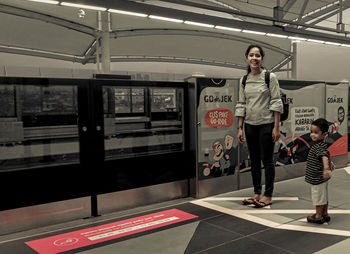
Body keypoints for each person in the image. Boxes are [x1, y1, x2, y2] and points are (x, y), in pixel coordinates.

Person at [235, 44, 283, 208]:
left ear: (261, 58)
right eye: (251, 55)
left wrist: (276, 127)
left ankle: (268, 194)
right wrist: (239, 128)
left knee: (267, 161)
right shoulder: (244, 80)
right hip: (249, 125)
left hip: (267, 124)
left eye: (257, 55)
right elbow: (241, 104)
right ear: (246, 58)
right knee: (254, 160)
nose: (254, 58)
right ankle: (256, 193)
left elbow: (276, 102)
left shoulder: (270, 77)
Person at [305, 118, 334, 224]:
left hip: (317, 178)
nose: (312, 135)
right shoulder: (321, 145)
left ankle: (318, 216)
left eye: (316, 132)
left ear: (324, 134)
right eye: (311, 132)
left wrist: (326, 169)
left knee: (318, 197)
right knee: (324, 196)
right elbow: (325, 155)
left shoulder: (318, 146)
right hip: (321, 178)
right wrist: (330, 164)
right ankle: (325, 213)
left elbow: (324, 157)